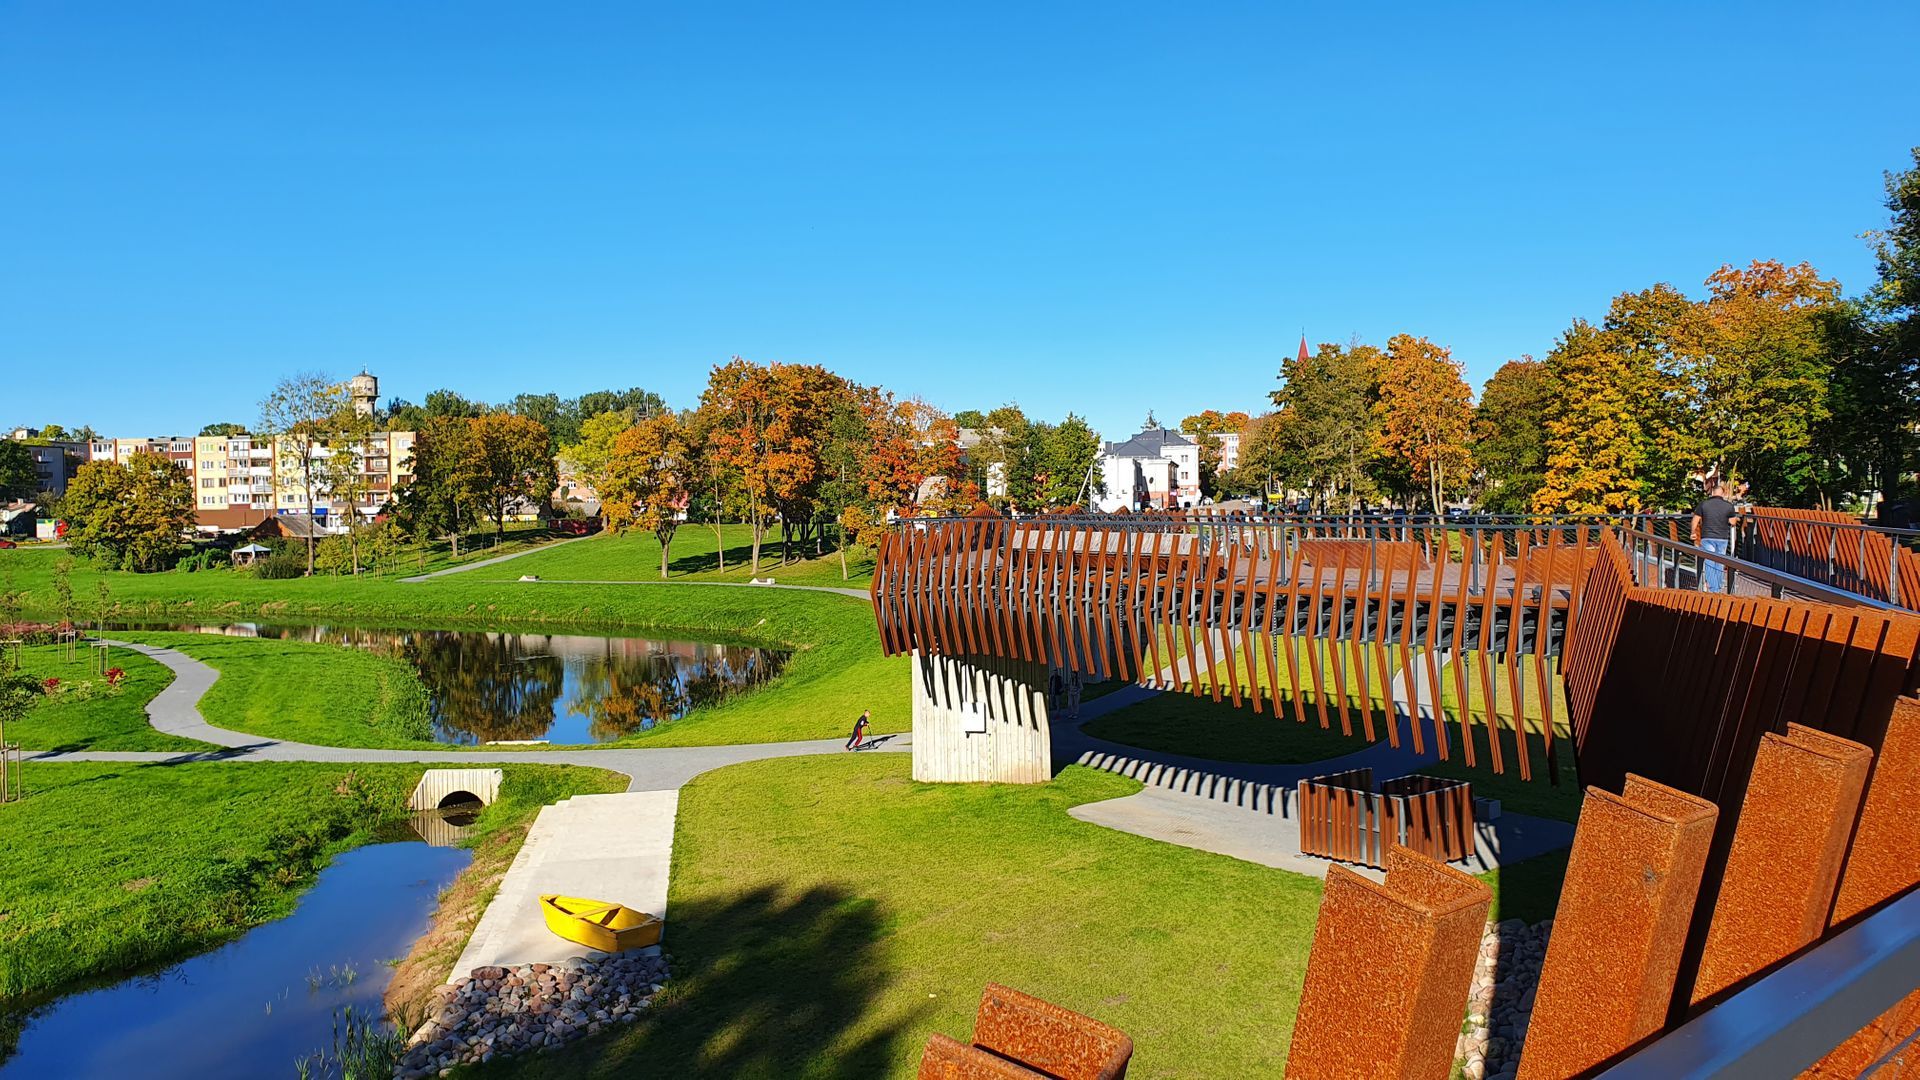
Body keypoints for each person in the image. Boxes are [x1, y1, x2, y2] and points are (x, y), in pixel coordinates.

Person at [1691, 481, 1740, 593]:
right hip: (1722, 538)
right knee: (1719, 561)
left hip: (1707, 537)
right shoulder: (1728, 506)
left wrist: (1693, 532)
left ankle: (1713, 589)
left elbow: (1695, 520)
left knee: (1709, 561)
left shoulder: (1704, 504)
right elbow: (1732, 522)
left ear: (1712, 493)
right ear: (1722, 494)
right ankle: (1717, 587)